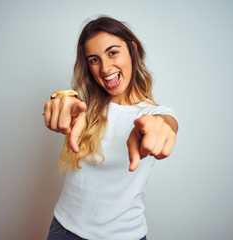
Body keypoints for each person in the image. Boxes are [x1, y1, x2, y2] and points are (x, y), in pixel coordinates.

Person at [44, 16, 178, 240]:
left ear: (132, 50)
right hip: (63, 231)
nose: (105, 68)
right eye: (94, 59)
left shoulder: (153, 114)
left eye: (112, 52)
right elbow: (68, 102)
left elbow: (166, 122)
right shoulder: (83, 108)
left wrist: (160, 126)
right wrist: (60, 102)